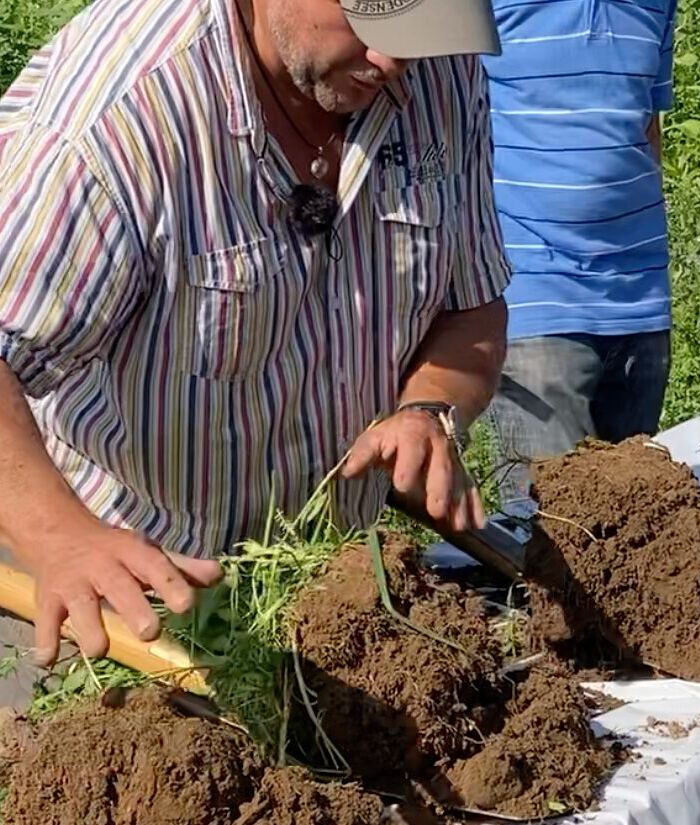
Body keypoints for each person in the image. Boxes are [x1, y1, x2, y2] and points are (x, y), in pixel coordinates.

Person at [0, 0, 510, 672]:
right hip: (140, 603)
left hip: (331, 598)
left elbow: (471, 307)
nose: (392, 64)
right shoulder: (117, 121)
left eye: (417, 40)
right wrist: (60, 536)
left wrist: (427, 408)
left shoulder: (433, 75)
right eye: (372, 29)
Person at [482, 0, 677, 511]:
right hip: (533, 291)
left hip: (640, 296)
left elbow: (645, 127)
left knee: (635, 527)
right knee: (553, 529)